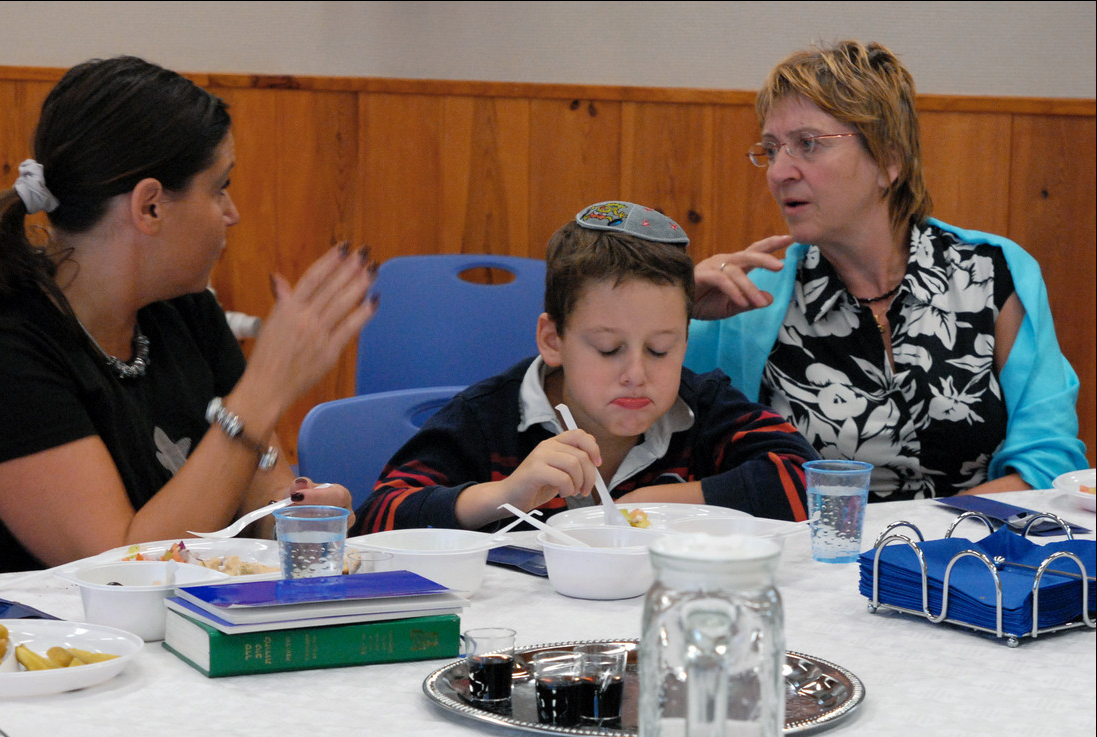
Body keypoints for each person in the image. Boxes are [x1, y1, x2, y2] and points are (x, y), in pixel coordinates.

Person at [0, 57, 375, 577]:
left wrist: (296, 515)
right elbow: (120, 569)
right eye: (219, 187)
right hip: (14, 647)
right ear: (149, 207)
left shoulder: (184, 309)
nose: (231, 212)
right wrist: (262, 393)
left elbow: (258, 500)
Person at [685, 41, 1087, 502]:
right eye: (772, 149)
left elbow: (1049, 461)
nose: (779, 172)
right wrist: (679, 309)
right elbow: (659, 439)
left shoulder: (990, 272)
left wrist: (922, 539)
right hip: (811, 563)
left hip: (971, 556)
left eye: (807, 144)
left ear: (888, 159)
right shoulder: (750, 297)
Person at [354, 201, 818, 534]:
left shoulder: (700, 407)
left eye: (660, 349)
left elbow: (807, 480)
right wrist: (504, 495)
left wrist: (643, 506)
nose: (636, 372)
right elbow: (378, 517)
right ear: (553, 340)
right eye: (607, 348)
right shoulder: (488, 417)